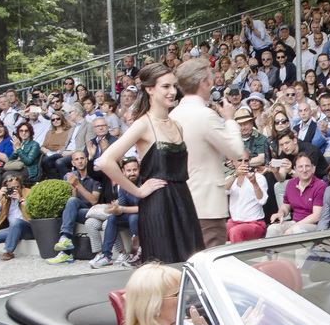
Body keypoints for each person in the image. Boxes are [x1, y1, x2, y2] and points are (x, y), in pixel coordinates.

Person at [95, 62, 205, 263]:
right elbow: (106, 161)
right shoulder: (143, 124)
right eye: (166, 86)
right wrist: (137, 191)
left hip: (183, 201)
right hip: (157, 204)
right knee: (164, 264)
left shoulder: (177, 125)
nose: (172, 91)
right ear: (150, 89)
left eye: (174, 86)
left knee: (192, 261)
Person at [169, 57, 248, 249]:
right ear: (203, 82)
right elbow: (236, 150)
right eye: (210, 78)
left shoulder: (172, 115)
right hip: (206, 206)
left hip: (181, 202)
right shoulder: (204, 115)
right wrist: (229, 119)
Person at [224, 157, 270, 241]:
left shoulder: (259, 178)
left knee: (235, 231)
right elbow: (223, 190)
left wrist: (254, 182)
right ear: (233, 162)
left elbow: (263, 200)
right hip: (234, 222)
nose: (243, 163)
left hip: (254, 223)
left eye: (246, 161)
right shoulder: (230, 179)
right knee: (217, 231)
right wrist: (235, 175)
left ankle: (237, 254)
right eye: (239, 160)